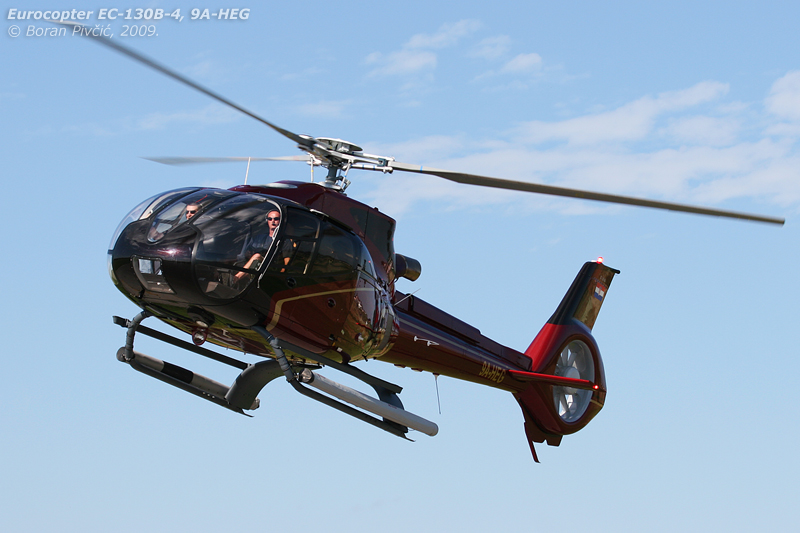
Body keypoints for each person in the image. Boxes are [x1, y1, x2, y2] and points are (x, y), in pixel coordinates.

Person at [235, 210, 281, 280]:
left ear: (280, 221)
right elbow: (248, 252)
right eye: (270, 219)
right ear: (267, 221)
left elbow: (287, 262)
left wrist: (279, 278)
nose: (273, 221)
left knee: (257, 256)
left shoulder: (284, 241)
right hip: (253, 265)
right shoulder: (259, 237)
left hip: (268, 269)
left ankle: (235, 279)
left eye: (276, 219)